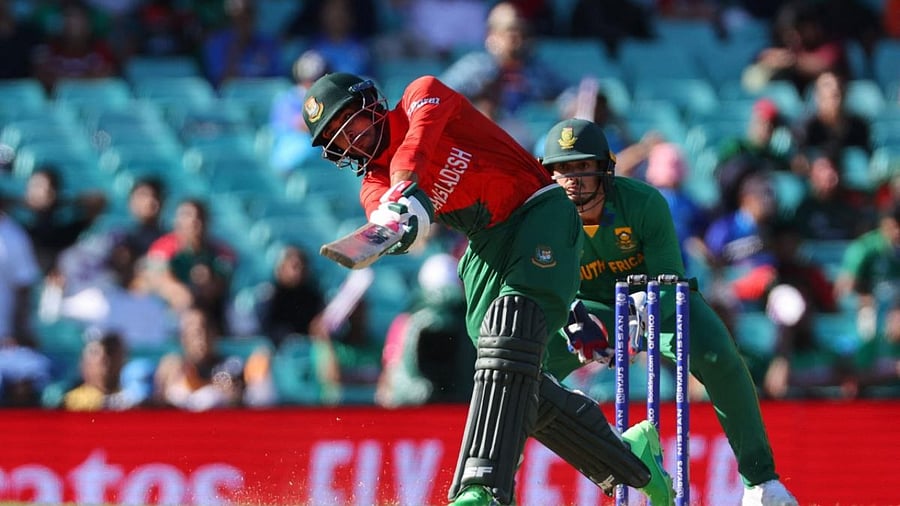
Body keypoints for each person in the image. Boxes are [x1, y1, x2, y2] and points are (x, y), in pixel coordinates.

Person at [301, 72, 673, 505]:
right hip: (484, 249)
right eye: (336, 138)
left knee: (509, 330)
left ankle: (483, 488)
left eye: (350, 123)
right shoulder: (374, 186)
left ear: (370, 104)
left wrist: (401, 190)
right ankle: (634, 463)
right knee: (512, 376)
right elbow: (403, 220)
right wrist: (396, 220)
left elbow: (418, 145)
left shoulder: (421, 95)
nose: (350, 141)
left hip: (537, 210)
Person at [539, 118, 798, 505]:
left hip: (658, 299)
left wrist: (636, 320)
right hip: (591, 308)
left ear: (605, 171)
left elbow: (668, 278)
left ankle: (760, 482)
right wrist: (573, 321)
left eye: (581, 168)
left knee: (721, 358)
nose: (572, 180)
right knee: (524, 373)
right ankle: (498, 480)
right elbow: (544, 287)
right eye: (563, 170)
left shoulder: (644, 203)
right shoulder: (543, 219)